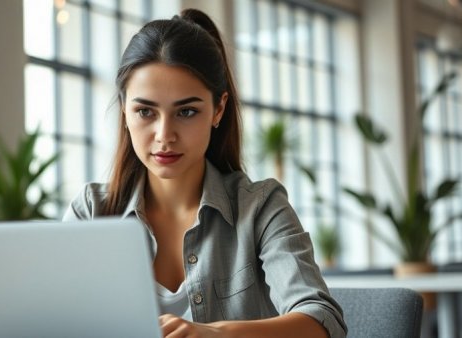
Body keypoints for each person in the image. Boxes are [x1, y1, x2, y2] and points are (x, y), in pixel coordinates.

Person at [63, 8, 347, 338]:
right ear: (125, 110)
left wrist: (217, 334)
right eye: (145, 111)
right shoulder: (91, 212)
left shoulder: (260, 208)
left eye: (186, 111)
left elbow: (321, 320)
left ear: (218, 109)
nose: (164, 135)